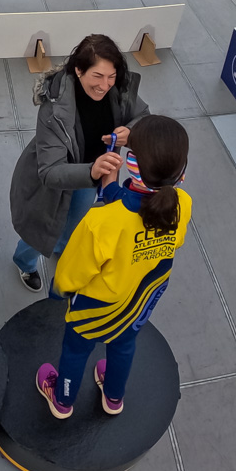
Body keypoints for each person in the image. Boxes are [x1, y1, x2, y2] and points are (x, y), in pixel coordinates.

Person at [36, 115, 192, 418]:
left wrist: (59, 292)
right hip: (140, 302)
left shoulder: (101, 222)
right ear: (181, 173)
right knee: (123, 346)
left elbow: (71, 273)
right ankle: (114, 397)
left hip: (95, 308)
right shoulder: (183, 203)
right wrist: (112, 190)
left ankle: (62, 400)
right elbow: (160, 227)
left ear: (131, 164)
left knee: (75, 350)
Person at [9, 34, 149, 292]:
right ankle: (25, 263)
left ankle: (61, 248)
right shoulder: (53, 109)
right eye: (97, 76)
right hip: (54, 185)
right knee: (40, 232)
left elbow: (143, 116)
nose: (104, 85)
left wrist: (131, 131)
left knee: (73, 225)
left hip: (89, 179)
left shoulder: (119, 90)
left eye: (111, 76)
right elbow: (50, 172)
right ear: (78, 70)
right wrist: (92, 170)